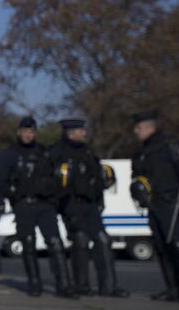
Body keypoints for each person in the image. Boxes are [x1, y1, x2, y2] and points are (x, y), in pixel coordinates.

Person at [0, 116, 76, 298]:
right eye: (25, 131)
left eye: (31, 132)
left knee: (55, 243)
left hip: (45, 204)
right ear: (18, 132)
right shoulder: (10, 154)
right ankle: (34, 283)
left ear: (35, 133)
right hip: (24, 204)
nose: (28, 135)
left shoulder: (44, 153)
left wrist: (54, 195)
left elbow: (58, 175)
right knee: (28, 244)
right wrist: (13, 196)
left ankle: (64, 284)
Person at [50, 118, 129, 298]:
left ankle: (109, 286)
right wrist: (65, 208)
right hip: (71, 204)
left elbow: (97, 177)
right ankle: (82, 285)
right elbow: (56, 183)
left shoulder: (87, 152)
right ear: (71, 133)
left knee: (103, 240)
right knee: (80, 241)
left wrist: (100, 198)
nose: (85, 133)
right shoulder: (58, 152)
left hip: (90, 204)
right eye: (81, 130)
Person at [131, 110, 179, 305]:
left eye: (138, 128)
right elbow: (139, 177)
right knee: (162, 246)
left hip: (172, 202)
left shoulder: (169, 144)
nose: (135, 132)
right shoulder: (143, 151)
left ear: (148, 127)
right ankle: (173, 288)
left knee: (177, 245)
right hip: (153, 204)